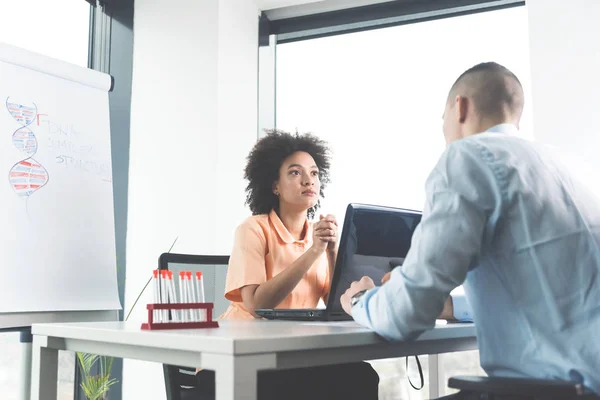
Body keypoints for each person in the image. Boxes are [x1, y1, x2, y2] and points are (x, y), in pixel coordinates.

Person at [340, 62, 600, 399]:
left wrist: (361, 298)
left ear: (459, 107)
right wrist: (449, 306)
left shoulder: (468, 157)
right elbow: (549, 288)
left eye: (442, 120)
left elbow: (404, 317)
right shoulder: (572, 166)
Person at [194, 130, 380, 400]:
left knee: (361, 376)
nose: (308, 180)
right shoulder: (253, 229)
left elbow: (342, 307)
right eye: (295, 173)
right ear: (274, 186)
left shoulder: (316, 234)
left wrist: (332, 251)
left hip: (289, 357)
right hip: (233, 359)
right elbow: (258, 305)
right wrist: (314, 251)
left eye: (314, 173)